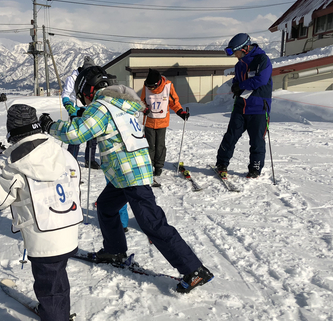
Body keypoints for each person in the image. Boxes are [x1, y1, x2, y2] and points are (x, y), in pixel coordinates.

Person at [40, 66, 214, 294]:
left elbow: (75, 133)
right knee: (106, 207)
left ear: (89, 90)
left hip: (130, 173)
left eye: (82, 95)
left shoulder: (101, 107)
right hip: (124, 172)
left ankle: (194, 269)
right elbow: (93, 124)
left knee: (152, 221)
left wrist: (49, 126)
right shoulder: (120, 105)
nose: (83, 101)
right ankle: (114, 250)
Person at [0, 104, 82, 321]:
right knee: (58, 280)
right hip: (69, 227)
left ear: (12, 130)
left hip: (44, 237)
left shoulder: (17, 162)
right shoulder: (62, 153)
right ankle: (61, 319)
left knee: (49, 289)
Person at [216, 33, 272, 179]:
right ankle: (221, 163)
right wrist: (235, 84)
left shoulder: (262, 60)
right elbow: (237, 79)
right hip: (241, 106)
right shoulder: (239, 64)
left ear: (245, 48)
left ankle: (255, 168)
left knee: (257, 141)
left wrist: (241, 85)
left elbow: (261, 80)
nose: (235, 55)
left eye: (236, 52)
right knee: (230, 136)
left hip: (259, 108)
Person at [140, 68, 190, 177]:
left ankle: (158, 166)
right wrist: (143, 108)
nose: (150, 89)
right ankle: (149, 165)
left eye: (152, 87)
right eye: (149, 87)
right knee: (149, 145)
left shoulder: (168, 86)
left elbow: (173, 102)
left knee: (160, 145)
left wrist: (181, 112)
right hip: (149, 121)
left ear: (158, 83)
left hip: (162, 121)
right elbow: (142, 101)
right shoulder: (146, 86)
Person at [62, 57, 100, 169]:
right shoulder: (73, 78)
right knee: (75, 136)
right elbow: (66, 94)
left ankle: (90, 159)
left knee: (92, 136)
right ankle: (71, 161)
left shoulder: (93, 78)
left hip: (89, 109)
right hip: (76, 110)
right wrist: (68, 105)